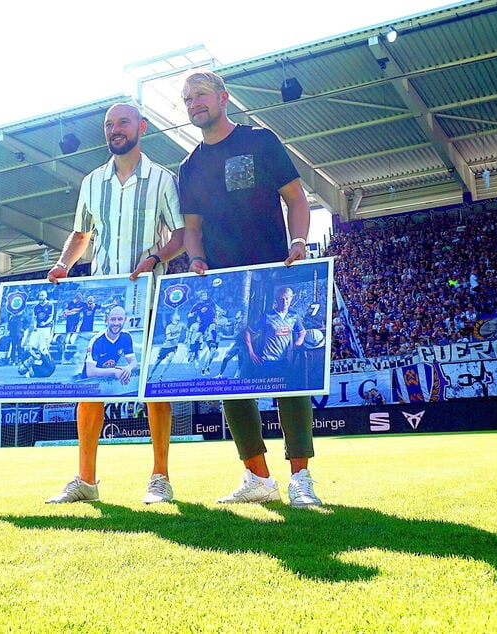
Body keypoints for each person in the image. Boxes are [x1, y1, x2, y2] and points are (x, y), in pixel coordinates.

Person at [178, 70, 322, 508]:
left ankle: (301, 478)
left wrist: (298, 242)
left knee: (288, 374)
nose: (193, 103)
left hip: (273, 272)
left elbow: (296, 199)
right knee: (233, 378)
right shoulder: (189, 166)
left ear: (224, 97)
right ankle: (257, 477)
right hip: (225, 285)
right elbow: (193, 229)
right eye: (186, 98)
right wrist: (196, 258)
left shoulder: (260, 141)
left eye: (200, 94)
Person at [45, 102, 185, 505]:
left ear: (141, 127)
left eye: (123, 122)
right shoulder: (91, 182)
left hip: (150, 293)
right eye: (109, 125)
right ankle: (85, 480)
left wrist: (156, 258)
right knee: (90, 389)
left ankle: (160, 477)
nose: (115, 129)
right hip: (103, 297)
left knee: (154, 390)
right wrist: (62, 264)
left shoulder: (163, 179)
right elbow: (80, 234)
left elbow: (179, 234)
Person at [243, 285, 306, 384]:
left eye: (287, 299)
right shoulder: (268, 316)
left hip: (285, 361)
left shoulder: (294, 316)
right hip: (268, 361)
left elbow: (302, 332)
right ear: (276, 300)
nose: (284, 302)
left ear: (291, 299)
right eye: (281, 299)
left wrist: (299, 341)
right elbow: (248, 331)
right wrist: (251, 353)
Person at [149, 312, 186, 381]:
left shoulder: (181, 325)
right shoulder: (169, 327)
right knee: (157, 362)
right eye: (177, 315)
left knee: (169, 360)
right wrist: (176, 336)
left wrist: (187, 338)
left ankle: (161, 375)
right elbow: (168, 338)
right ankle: (150, 375)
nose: (178, 316)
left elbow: (187, 328)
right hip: (166, 347)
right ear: (173, 318)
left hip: (174, 347)